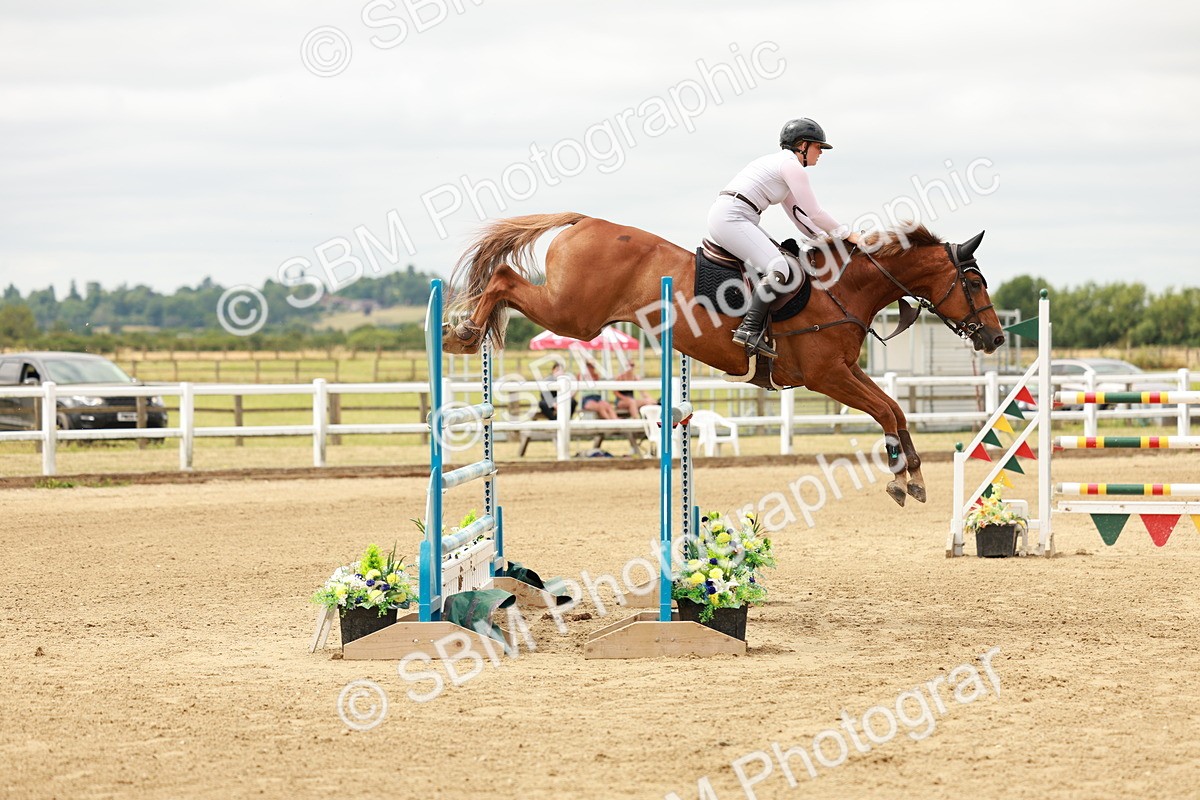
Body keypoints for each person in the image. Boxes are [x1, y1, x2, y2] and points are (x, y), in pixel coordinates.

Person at [707, 117, 860, 358]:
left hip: (737, 216)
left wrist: (828, 242)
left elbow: (800, 216)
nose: (820, 153)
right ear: (802, 145)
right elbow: (815, 212)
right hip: (732, 216)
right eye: (818, 147)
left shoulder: (785, 167)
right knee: (779, 266)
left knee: (785, 261)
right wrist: (847, 234)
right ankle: (748, 329)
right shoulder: (791, 166)